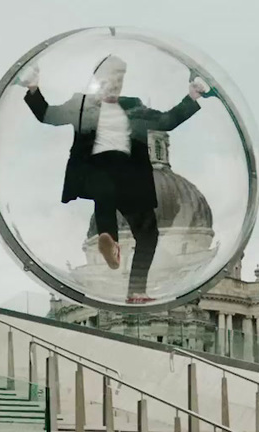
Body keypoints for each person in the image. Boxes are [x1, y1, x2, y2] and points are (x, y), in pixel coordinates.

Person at [21, 56, 207, 303]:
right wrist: (33, 87)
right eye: (110, 81)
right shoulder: (81, 105)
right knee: (105, 188)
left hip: (129, 175)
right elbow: (48, 114)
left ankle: (120, 260)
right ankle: (111, 243)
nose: (115, 86)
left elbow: (166, 121)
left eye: (119, 81)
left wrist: (192, 97)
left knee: (147, 233)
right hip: (100, 169)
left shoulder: (134, 107)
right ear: (98, 82)